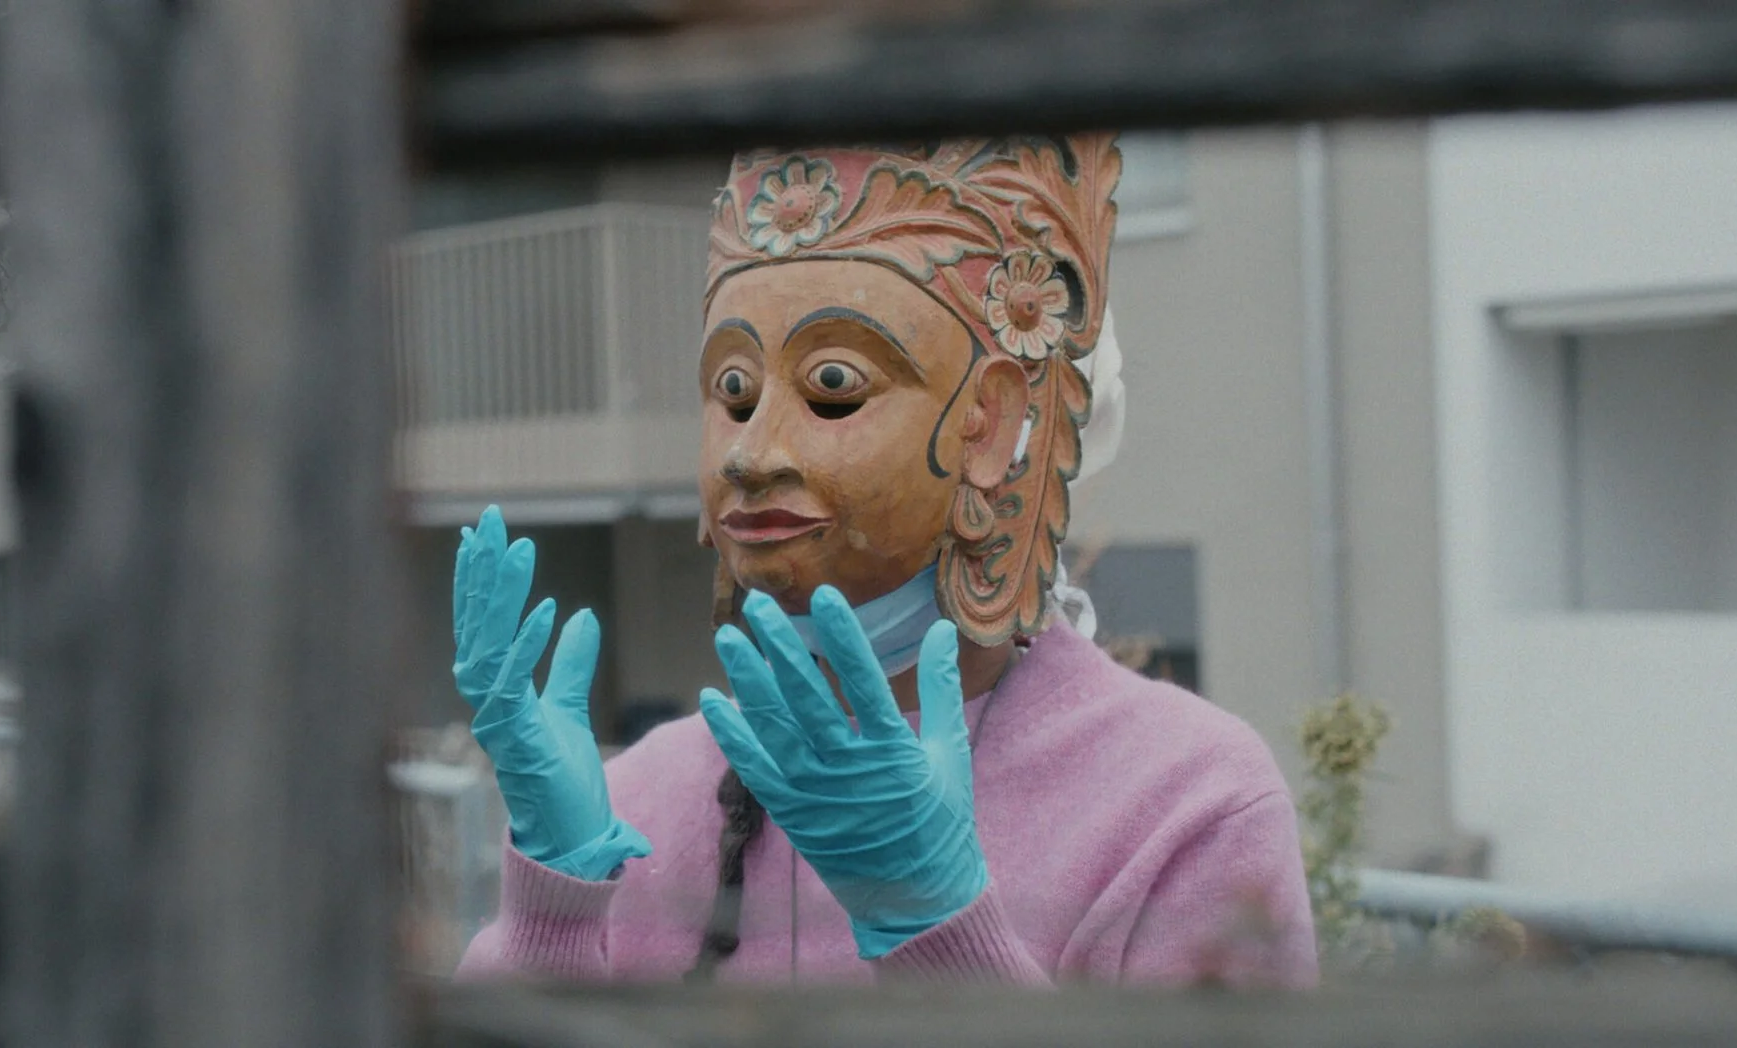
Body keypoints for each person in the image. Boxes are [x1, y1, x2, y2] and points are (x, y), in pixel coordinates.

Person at [451, 137, 1316, 985]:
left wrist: (942, 934)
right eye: (734, 393)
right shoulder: (636, 805)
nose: (751, 454)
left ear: (992, 426)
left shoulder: (1185, 805)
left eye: (834, 387)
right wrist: (551, 913)